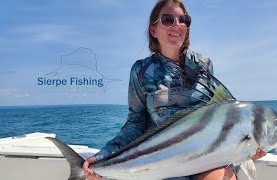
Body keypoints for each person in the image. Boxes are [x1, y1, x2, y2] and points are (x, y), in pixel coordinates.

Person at [83, 0, 266, 179]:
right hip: (163, 159)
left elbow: (218, 115)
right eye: (168, 20)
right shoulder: (141, 71)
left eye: (183, 20)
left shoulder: (203, 64)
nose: (177, 25)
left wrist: (248, 146)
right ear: (153, 30)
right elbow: (136, 123)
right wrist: (105, 155)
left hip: (206, 156)